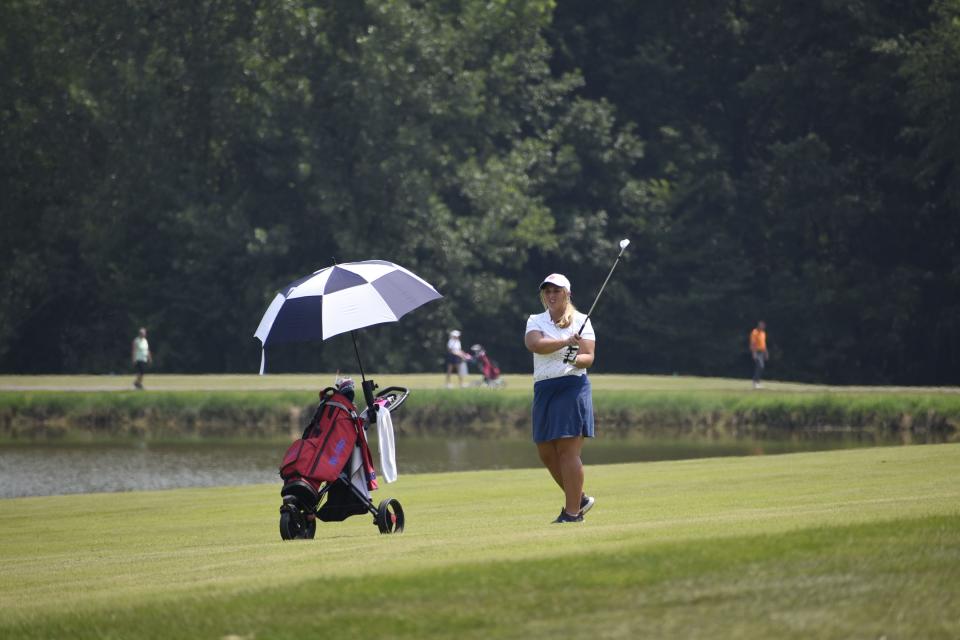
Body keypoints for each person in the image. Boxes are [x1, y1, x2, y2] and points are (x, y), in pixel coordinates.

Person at [524, 273, 596, 524]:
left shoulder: (582, 320)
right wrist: (566, 342)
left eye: (557, 291)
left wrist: (575, 359)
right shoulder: (536, 320)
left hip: (572, 386)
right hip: (544, 388)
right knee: (546, 451)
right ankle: (581, 498)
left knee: (567, 449)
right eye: (547, 291)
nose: (551, 295)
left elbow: (589, 357)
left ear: (567, 293)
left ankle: (572, 513)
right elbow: (535, 345)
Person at [749, 320, 768, 389]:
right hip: (756, 351)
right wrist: (753, 353)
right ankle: (755, 382)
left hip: (762, 352)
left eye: (763, 325)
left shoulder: (763, 333)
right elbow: (753, 343)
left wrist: (766, 353)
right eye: (761, 325)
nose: (762, 326)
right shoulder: (754, 332)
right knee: (760, 365)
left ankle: (757, 382)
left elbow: (764, 344)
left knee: (761, 366)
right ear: (758, 325)